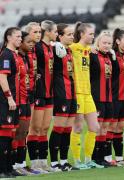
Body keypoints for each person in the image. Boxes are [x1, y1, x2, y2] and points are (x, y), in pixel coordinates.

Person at [27, 20, 58, 172]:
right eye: (36, 32)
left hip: (49, 92)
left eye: (40, 32)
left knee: (45, 128)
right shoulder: (36, 48)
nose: (38, 35)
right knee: (35, 128)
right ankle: (33, 163)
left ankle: (43, 161)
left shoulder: (50, 48)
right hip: (38, 92)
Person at [69, 22, 101, 169]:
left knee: (94, 126)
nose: (93, 36)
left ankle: (88, 159)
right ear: (81, 34)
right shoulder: (72, 48)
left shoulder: (89, 50)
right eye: (90, 34)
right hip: (77, 93)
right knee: (78, 127)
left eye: (93, 34)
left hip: (87, 93)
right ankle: (76, 161)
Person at [49, 23, 77, 171]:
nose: (72, 36)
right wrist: (54, 44)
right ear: (60, 36)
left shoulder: (69, 51)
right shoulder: (56, 49)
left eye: (73, 34)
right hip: (61, 92)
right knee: (59, 128)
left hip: (72, 92)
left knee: (67, 129)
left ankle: (64, 161)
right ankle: (54, 162)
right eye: (69, 34)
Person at [11, 31, 35, 175]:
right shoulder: (14, 57)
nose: (31, 44)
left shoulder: (26, 58)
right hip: (18, 100)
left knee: (23, 134)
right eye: (28, 41)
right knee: (16, 134)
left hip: (26, 99)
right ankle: (12, 165)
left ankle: (20, 164)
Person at [0, 27, 22, 178]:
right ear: (8, 38)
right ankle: (2, 169)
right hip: (6, 101)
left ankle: (9, 167)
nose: (20, 39)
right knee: (4, 133)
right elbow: (2, 78)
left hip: (15, 100)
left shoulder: (14, 54)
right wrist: (9, 97)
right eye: (17, 36)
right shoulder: (6, 55)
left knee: (11, 134)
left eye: (21, 36)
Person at [107, 28, 124, 166]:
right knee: (111, 127)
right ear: (117, 41)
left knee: (120, 128)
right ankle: (109, 157)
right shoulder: (112, 56)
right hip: (114, 96)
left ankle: (120, 158)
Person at [90, 31, 113, 167]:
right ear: (98, 42)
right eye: (104, 42)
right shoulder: (93, 55)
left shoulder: (110, 56)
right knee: (97, 127)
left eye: (109, 43)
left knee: (105, 127)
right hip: (97, 96)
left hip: (109, 97)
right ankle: (94, 157)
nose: (106, 45)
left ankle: (101, 157)